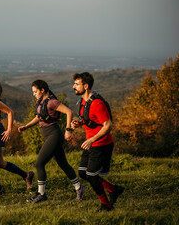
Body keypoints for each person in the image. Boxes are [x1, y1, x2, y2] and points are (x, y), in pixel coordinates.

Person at [18, 80, 86, 203]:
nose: (33, 94)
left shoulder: (52, 102)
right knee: (63, 164)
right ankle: (79, 188)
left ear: (42, 90)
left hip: (54, 135)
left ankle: (41, 194)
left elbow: (69, 112)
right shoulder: (41, 102)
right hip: (49, 135)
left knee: (39, 164)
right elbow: (38, 117)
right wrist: (26, 126)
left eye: (35, 91)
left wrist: (68, 130)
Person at [71, 72, 125, 212]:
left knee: (91, 175)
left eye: (77, 84)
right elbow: (91, 119)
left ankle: (106, 205)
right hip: (91, 143)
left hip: (101, 144)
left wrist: (92, 140)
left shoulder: (97, 103)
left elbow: (108, 125)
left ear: (86, 86)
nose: (73, 87)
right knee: (83, 173)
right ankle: (113, 189)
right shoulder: (84, 101)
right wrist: (80, 123)